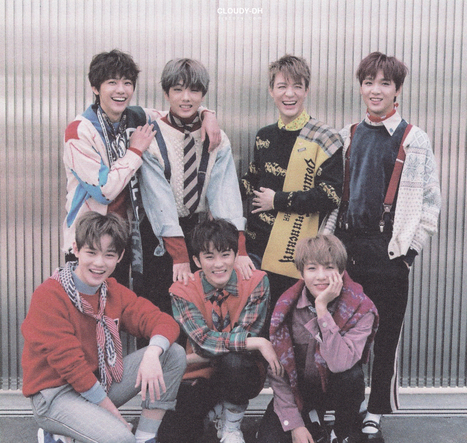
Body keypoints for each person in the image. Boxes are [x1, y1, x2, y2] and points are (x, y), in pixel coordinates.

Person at [22, 212, 191, 443]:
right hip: (55, 394)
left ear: (120, 257)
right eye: (91, 252)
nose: (99, 263)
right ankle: (60, 436)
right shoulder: (50, 295)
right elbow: (72, 367)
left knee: (171, 353)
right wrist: (116, 418)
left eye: (109, 255)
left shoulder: (111, 291)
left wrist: (152, 352)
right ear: (75, 249)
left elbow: (162, 321)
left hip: (97, 382)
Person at [330, 52, 441, 443]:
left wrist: (408, 254)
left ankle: (375, 413)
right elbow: (335, 199)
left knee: (386, 337)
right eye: (368, 82)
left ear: (397, 90)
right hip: (348, 251)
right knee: (346, 335)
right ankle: (350, 407)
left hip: (390, 252)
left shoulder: (413, 138)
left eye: (384, 83)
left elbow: (430, 202)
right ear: (360, 87)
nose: (375, 90)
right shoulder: (348, 135)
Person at [62, 49, 220, 305]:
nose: (121, 90)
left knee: (116, 308)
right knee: (84, 309)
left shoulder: (135, 116)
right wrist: (135, 151)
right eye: (112, 82)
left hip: (122, 239)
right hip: (87, 240)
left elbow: (178, 110)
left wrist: (207, 115)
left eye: (127, 83)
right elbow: (104, 190)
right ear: (95, 87)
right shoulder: (79, 130)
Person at [158, 218, 283, 443]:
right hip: (199, 373)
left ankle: (232, 426)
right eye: (209, 257)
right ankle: (213, 411)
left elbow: (244, 338)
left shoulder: (257, 281)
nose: (218, 264)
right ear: (196, 261)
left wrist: (246, 343)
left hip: (241, 370)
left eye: (225, 255)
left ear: (236, 256)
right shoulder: (181, 290)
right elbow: (203, 341)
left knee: (234, 361)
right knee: (170, 441)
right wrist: (258, 342)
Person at [138, 58, 255, 316]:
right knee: (160, 309)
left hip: (200, 234)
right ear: (166, 93)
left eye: (194, 90)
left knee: (200, 313)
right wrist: (179, 255)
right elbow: (158, 201)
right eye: (177, 90)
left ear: (203, 94)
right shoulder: (152, 136)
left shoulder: (217, 137)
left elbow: (225, 196)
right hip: (159, 235)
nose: (186, 98)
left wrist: (239, 249)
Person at [256, 235, 378, 443]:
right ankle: (311, 419)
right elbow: (278, 372)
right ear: (301, 272)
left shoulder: (361, 308)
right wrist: (294, 425)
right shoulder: (286, 305)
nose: (321, 276)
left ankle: (340, 437)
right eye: (312, 268)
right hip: (300, 389)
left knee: (352, 377)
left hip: (336, 386)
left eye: (329, 267)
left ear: (341, 271)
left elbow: (340, 363)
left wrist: (322, 309)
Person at [240, 55, 344, 309]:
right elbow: (252, 180)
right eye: (282, 86)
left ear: (306, 90)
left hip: (298, 254)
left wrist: (277, 200)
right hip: (257, 250)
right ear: (271, 90)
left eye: (297, 86)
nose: (289, 94)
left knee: (292, 324)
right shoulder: (264, 136)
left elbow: (331, 195)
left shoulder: (325, 137)